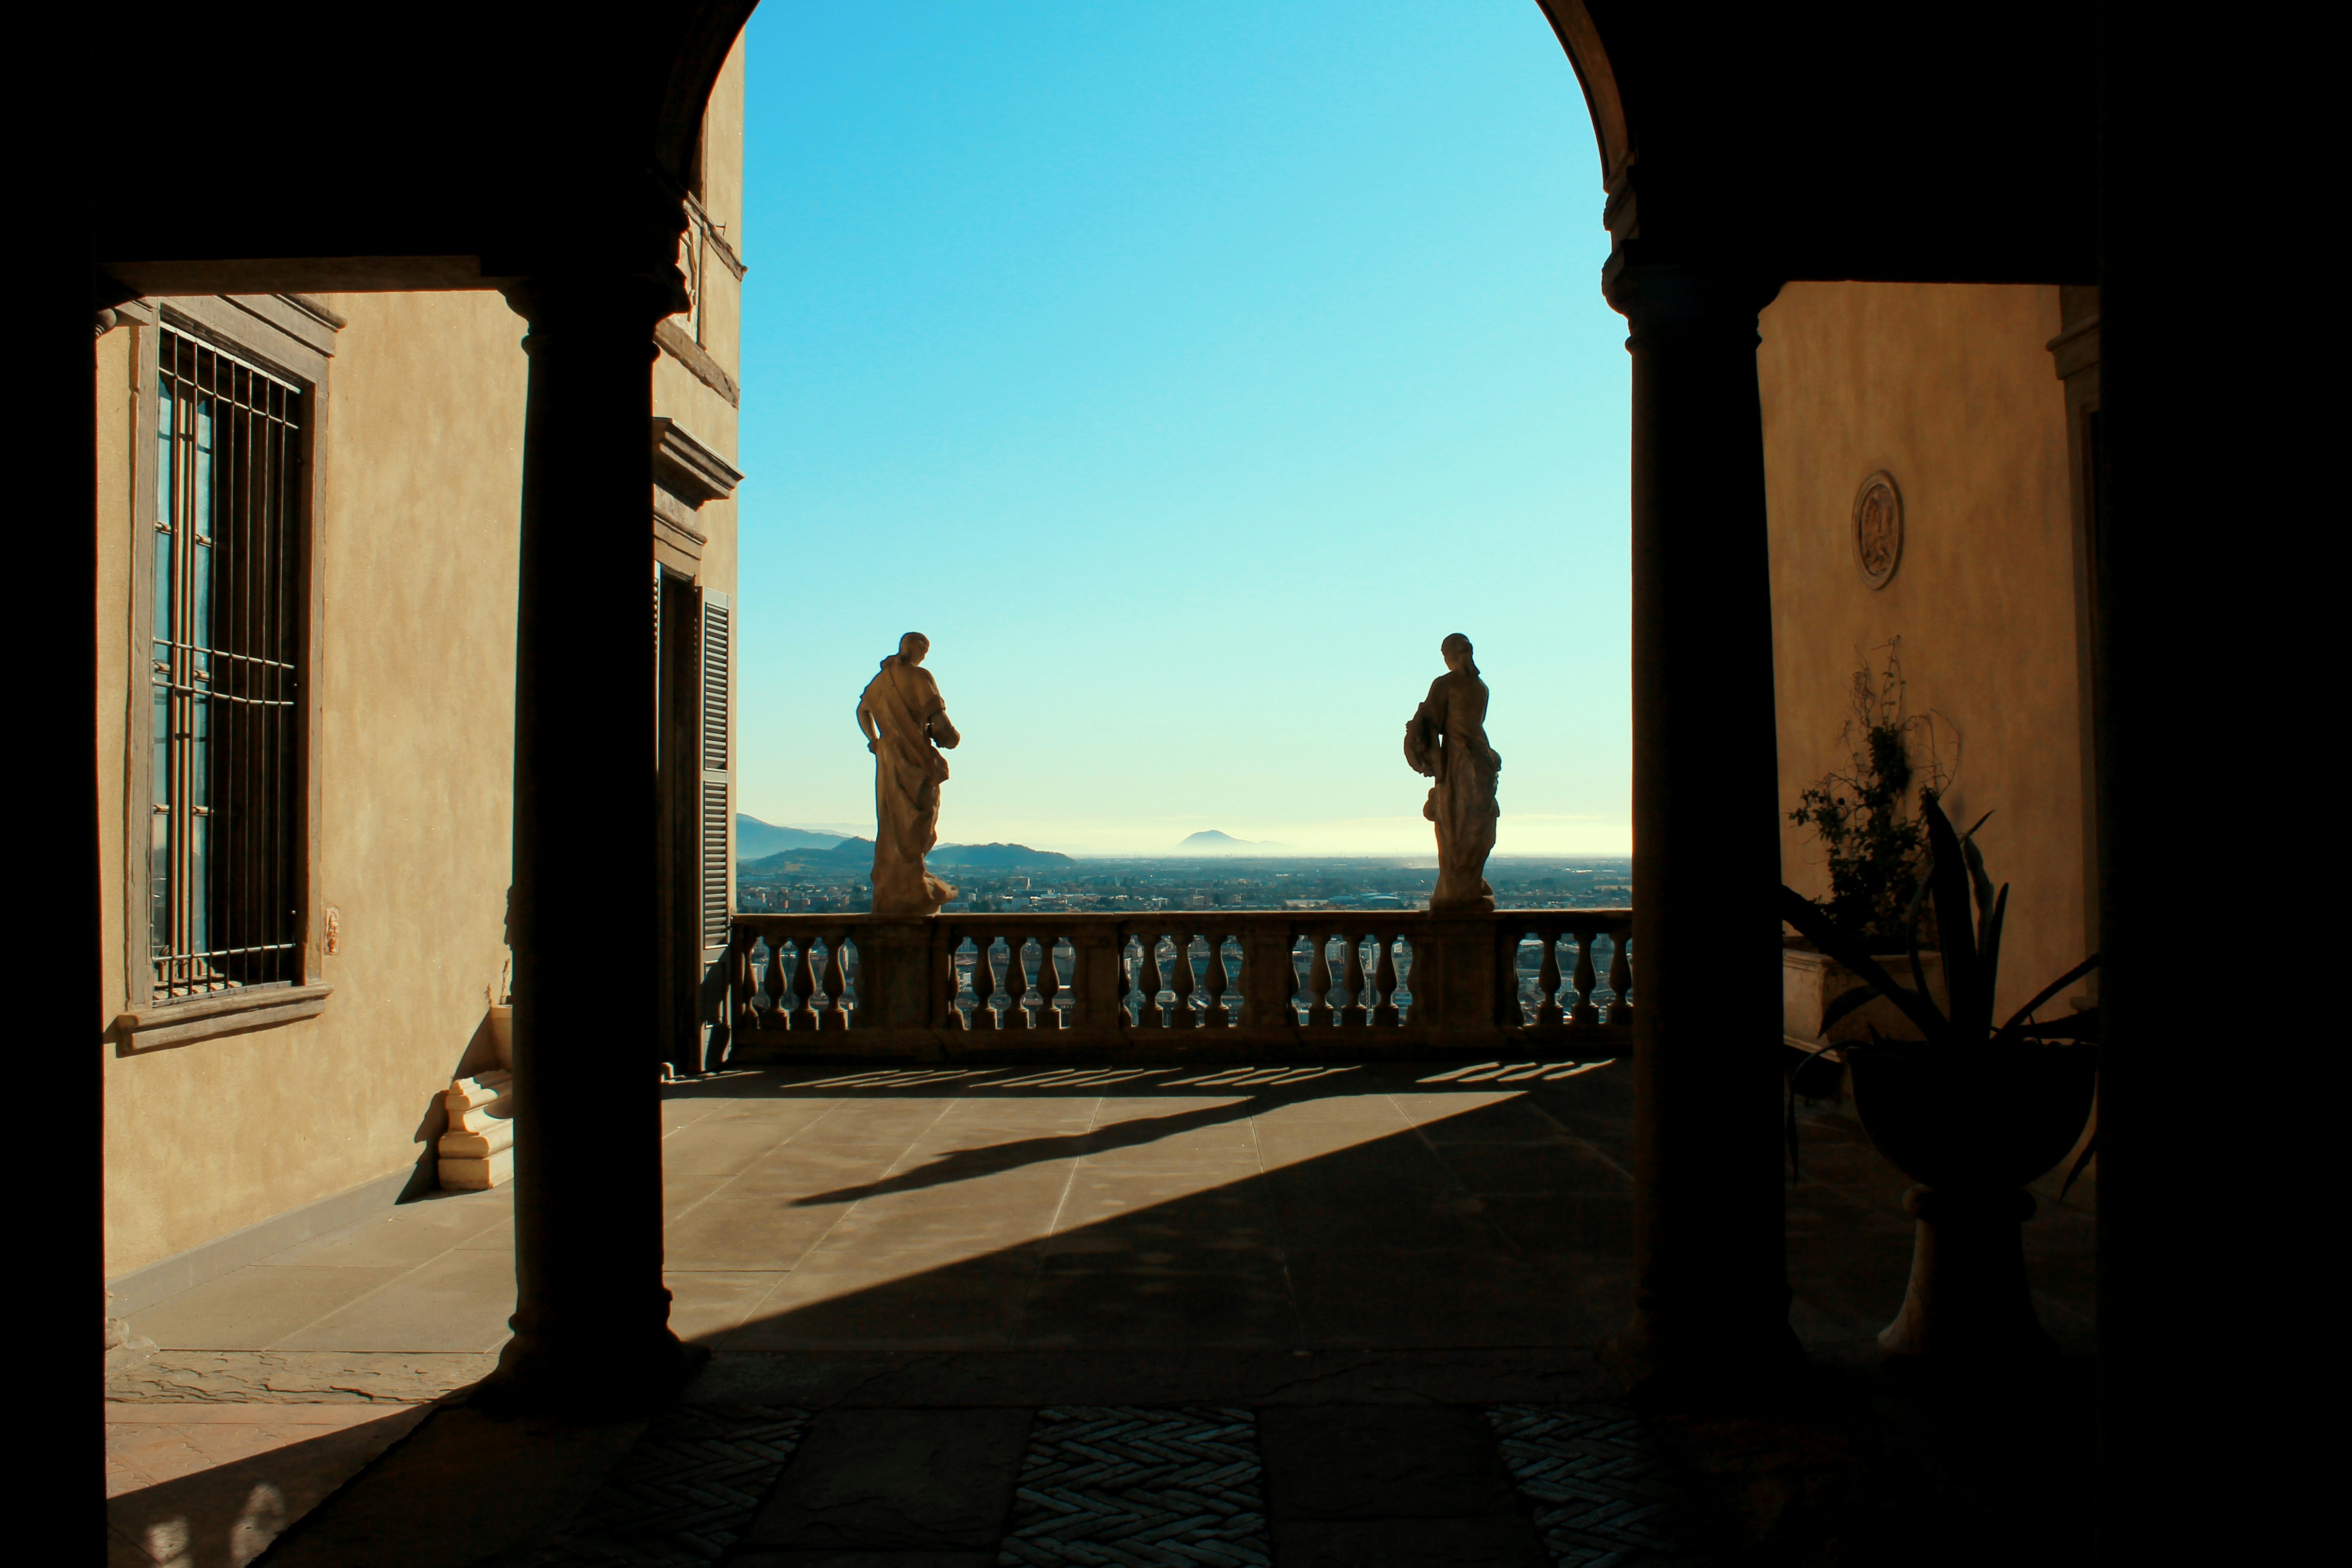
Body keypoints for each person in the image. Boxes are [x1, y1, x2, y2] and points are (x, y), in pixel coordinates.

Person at [856, 633, 961, 916]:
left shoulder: (881, 682)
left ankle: (897, 876)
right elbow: (940, 722)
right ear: (919, 651)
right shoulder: (920, 677)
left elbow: (862, 710)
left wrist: (874, 740)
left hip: (888, 754)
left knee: (892, 816)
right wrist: (952, 738)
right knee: (921, 813)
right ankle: (910, 875)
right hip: (914, 753)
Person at [1404, 632, 1501, 911]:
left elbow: (1430, 723)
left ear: (1449, 655)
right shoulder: (1481, 687)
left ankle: (1458, 883)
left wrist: (1422, 746)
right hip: (1482, 761)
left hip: (1458, 765)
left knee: (1455, 826)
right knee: (1478, 824)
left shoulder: (1445, 684)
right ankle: (1467, 880)